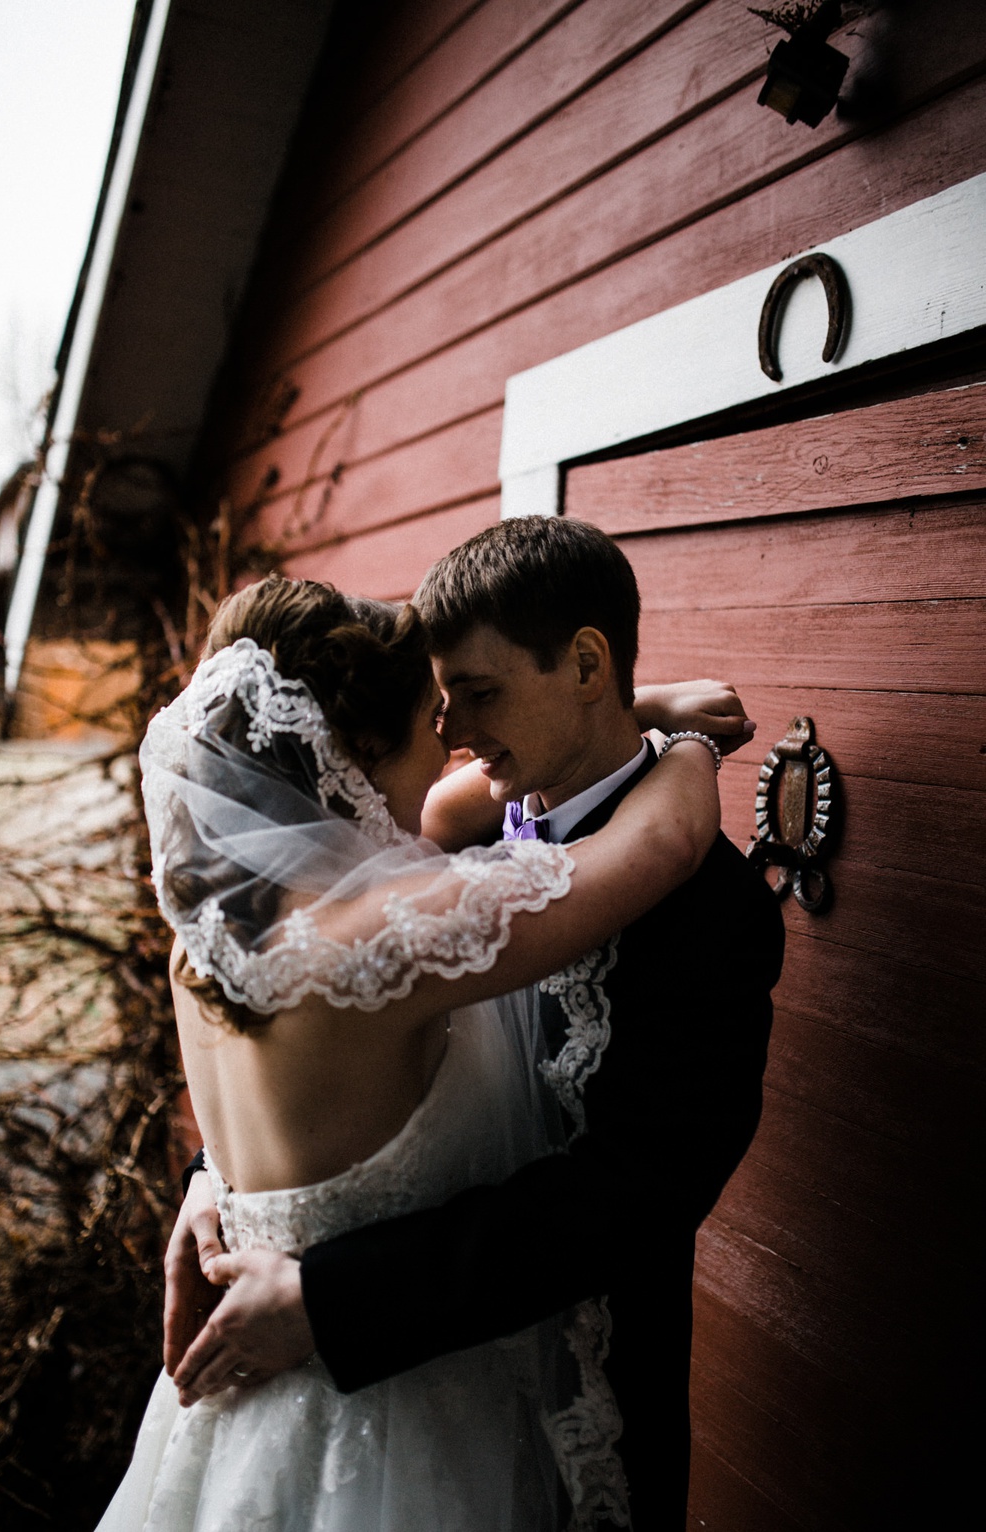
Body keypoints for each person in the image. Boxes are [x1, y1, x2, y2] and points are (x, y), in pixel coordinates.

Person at [165, 519, 785, 1530]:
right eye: (439, 700)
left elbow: (636, 1191)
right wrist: (221, 1180)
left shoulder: (705, 907)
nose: (450, 728)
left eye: (478, 693)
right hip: (404, 1415)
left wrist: (332, 1299)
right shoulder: (423, 862)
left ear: (587, 663)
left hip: (583, 1415)